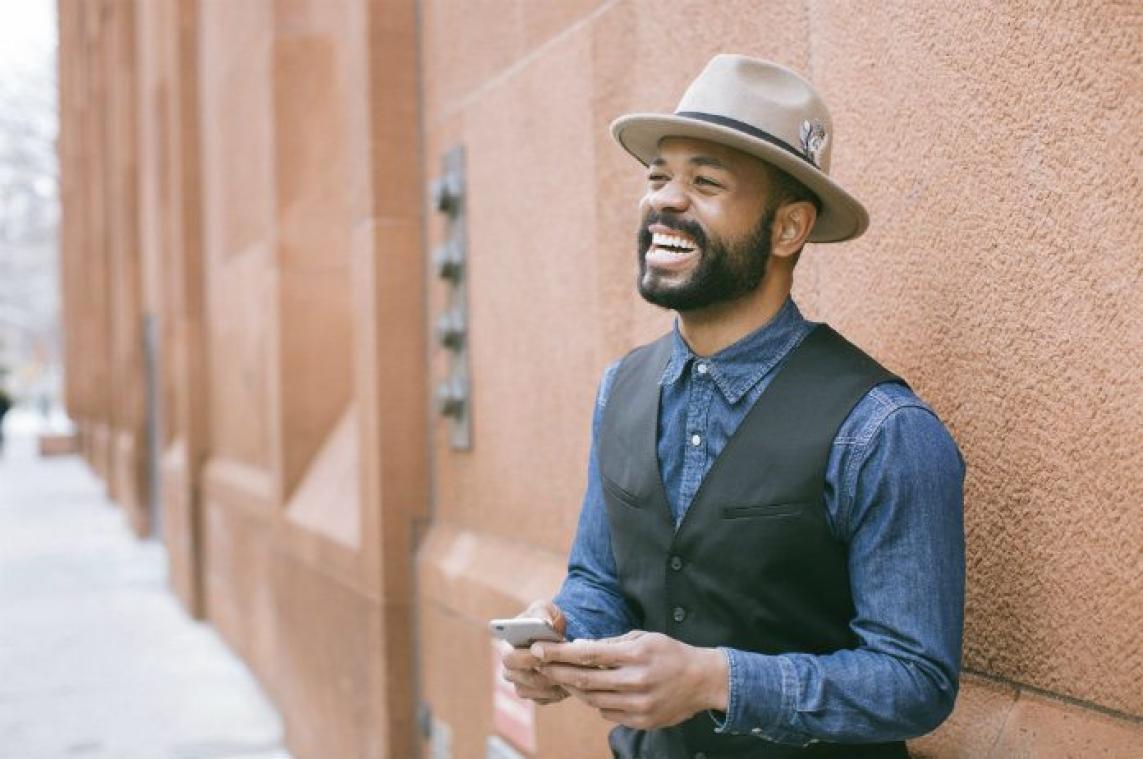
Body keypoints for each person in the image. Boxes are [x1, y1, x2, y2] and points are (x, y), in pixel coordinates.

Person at [498, 55, 965, 758]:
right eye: (657, 176)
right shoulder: (618, 389)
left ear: (788, 229)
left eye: (704, 182)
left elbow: (915, 680)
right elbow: (600, 578)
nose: (665, 199)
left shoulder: (881, 430)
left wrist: (715, 679)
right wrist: (561, 633)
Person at [0, 384, 12, 457]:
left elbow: (7, 405)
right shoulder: (4, 396)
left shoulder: (3, 397)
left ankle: (2, 447)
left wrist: (3, 412)